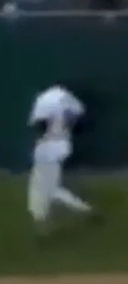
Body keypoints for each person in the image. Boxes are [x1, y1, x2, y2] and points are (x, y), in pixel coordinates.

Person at [28, 84, 96, 236]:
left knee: (42, 187)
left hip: (48, 146)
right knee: (48, 187)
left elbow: (40, 124)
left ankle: (44, 223)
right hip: (64, 144)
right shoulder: (67, 98)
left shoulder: (44, 100)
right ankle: (83, 210)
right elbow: (81, 119)